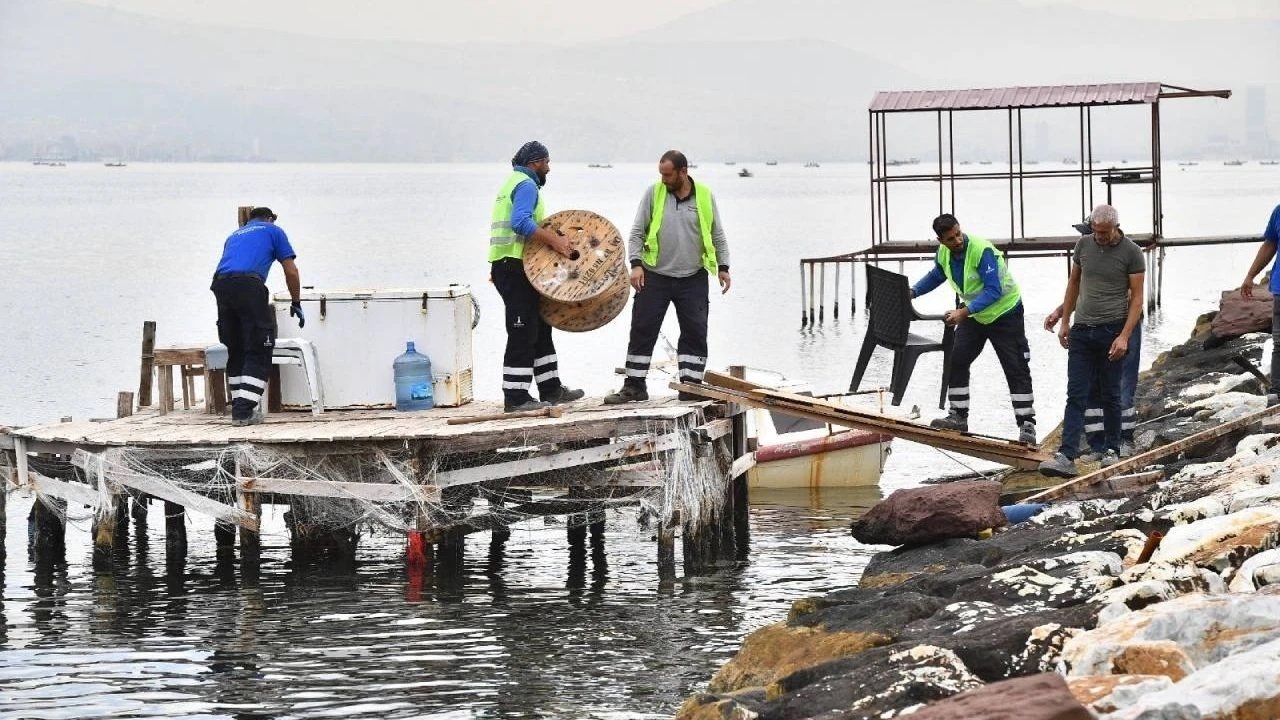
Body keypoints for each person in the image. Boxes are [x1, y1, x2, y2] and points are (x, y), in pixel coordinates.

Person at [604, 150, 731, 404]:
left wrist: (724, 266)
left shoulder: (705, 196)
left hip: (693, 277)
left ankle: (691, 386)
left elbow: (717, 234)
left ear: (683, 171)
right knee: (642, 329)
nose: (663, 179)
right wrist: (636, 264)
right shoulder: (654, 193)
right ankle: (634, 386)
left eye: (668, 174)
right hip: (655, 277)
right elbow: (637, 232)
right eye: (661, 174)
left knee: (695, 331)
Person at [910, 214, 1037, 444]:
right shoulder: (943, 254)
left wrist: (962, 313)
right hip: (975, 316)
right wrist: (913, 291)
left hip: (1005, 313)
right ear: (941, 241)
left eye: (958, 234)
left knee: (1015, 367)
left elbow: (993, 290)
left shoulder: (981, 250)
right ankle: (958, 416)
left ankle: (1027, 425)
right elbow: (937, 274)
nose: (957, 240)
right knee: (957, 359)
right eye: (950, 238)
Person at [1039, 204, 1145, 477]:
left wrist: (1124, 336)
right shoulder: (1083, 246)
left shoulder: (1132, 253)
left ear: (1116, 227)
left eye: (1105, 232)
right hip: (1082, 331)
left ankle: (1112, 449)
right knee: (1076, 393)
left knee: (1111, 393)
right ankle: (1066, 455)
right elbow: (1074, 284)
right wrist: (1064, 320)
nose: (1100, 237)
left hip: (1112, 331)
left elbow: (1137, 299)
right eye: (1096, 231)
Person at [489, 140, 585, 413]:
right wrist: (556, 242)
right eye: (546, 162)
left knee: (541, 325)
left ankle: (551, 388)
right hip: (514, 267)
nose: (549, 168)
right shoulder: (526, 185)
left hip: (509, 265)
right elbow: (520, 222)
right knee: (523, 329)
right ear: (534, 163)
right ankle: (516, 397)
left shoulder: (513, 182)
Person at [211, 207, 303, 426]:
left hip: (221, 285)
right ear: (269, 218)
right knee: (261, 345)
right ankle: (243, 413)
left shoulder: (234, 235)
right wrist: (296, 301)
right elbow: (291, 271)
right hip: (248, 285)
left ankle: (239, 407)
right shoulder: (273, 230)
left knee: (236, 347)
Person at [1238, 202, 1280, 401]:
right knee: (1279, 344)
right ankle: (1277, 396)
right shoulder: (1278, 211)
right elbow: (1270, 244)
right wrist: (1250, 275)